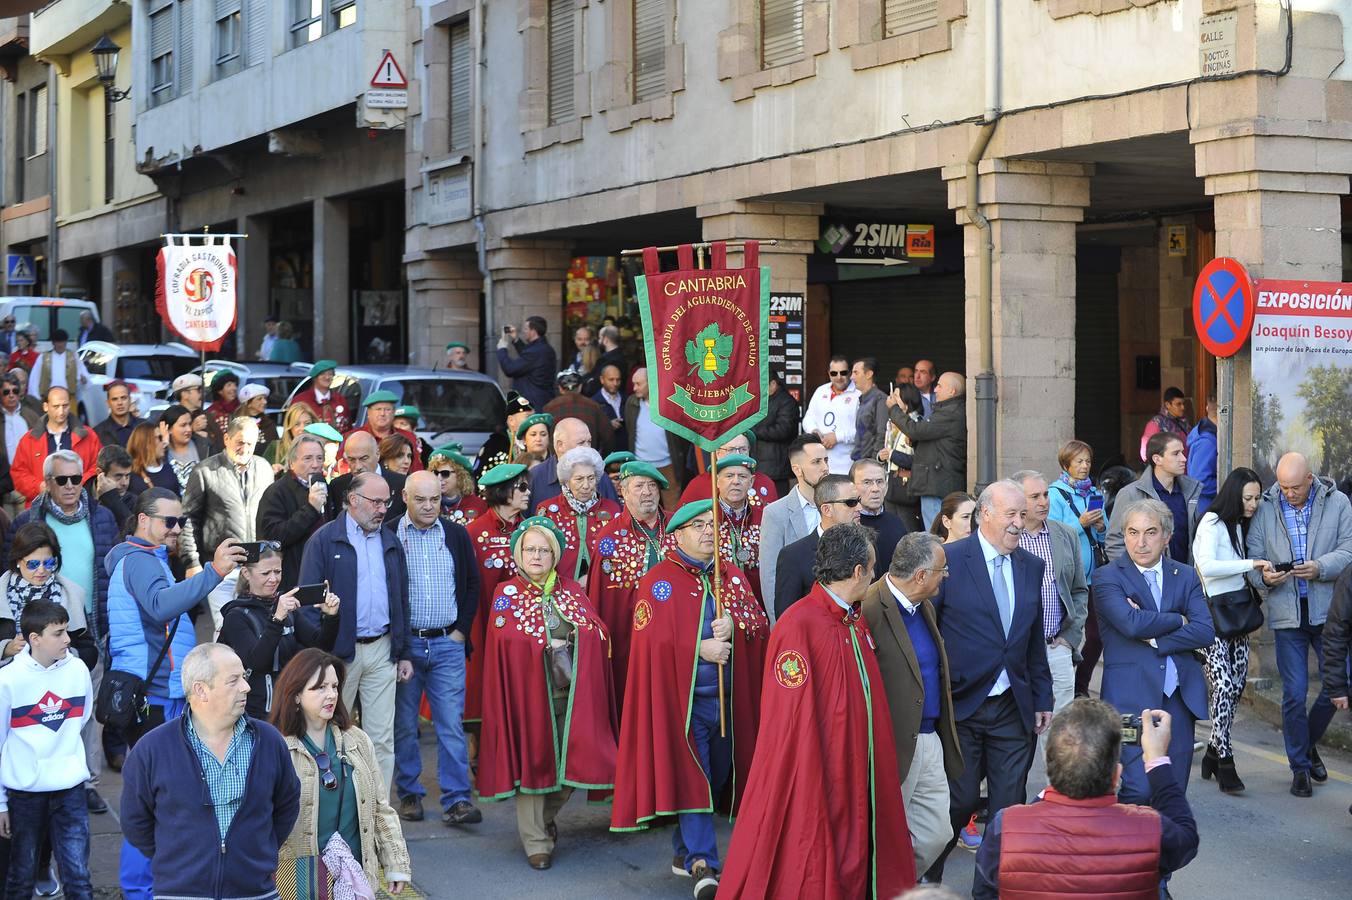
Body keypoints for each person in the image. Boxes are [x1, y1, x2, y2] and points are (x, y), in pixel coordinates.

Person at [721, 523, 917, 898]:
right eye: (872, 567)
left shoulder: (852, 618)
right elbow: (790, 721)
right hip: (822, 771)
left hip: (858, 767)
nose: (875, 575)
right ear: (858, 571)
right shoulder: (799, 625)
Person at [610, 500, 769, 900]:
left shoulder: (730, 576)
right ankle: (704, 863)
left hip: (729, 701)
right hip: (686, 704)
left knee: (716, 777)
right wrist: (698, 648)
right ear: (677, 535)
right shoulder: (659, 580)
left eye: (712, 525)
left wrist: (736, 624)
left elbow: (759, 625)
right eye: (697, 526)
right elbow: (647, 640)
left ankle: (683, 852)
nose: (707, 532)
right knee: (695, 779)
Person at [927, 480, 1053, 882]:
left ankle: (993, 888)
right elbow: (929, 633)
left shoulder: (1031, 566)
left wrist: (1042, 696)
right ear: (985, 515)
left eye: (1023, 514)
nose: (1020, 522)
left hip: (1013, 708)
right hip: (961, 704)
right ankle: (928, 877)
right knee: (958, 801)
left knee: (1008, 809)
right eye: (1012, 514)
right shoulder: (949, 559)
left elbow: (1033, 639)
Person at [478, 517, 617, 869]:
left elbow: (597, 631)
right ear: (518, 553)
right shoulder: (506, 593)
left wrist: (573, 638)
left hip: (572, 695)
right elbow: (505, 640)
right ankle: (536, 840)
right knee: (534, 763)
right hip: (528, 694)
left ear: (554, 556)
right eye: (530, 549)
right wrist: (543, 641)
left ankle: (544, 817)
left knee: (578, 759)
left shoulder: (571, 591)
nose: (536, 556)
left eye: (543, 550)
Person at [120, 644, 300, 900]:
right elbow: (135, 821)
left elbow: (287, 803)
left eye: (244, 678)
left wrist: (260, 852)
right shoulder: (152, 749)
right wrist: (178, 861)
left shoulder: (269, 741)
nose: (246, 687)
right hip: (180, 893)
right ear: (201, 690)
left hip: (255, 892)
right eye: (233, 680)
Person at [971, 700, 1199, 899]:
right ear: (1116, 776)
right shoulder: (1152, 829)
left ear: (1050, 768)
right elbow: (1186, 837)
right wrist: (1157, 760)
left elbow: (984, 891)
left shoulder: (1005, 825)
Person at [1095, 498, 1214, 810]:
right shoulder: (1108, 577)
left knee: (1172, 793)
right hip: (1130, 699)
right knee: (1137, 791)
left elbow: (1205, 630)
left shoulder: (1186, 575)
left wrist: (1159, 641)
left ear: (1166, 536)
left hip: (1179, 697)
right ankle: (1132, 857)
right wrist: (1178, 619)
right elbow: (1131, 624)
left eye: (1150, 533)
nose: (1141, 542)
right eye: (1133, 533)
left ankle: (1163, 858)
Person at [298, 471, 412, 792]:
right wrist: (319, 655)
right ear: (352, 501)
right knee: (332, 732)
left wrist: (402, 651)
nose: (382, 509)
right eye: (375, 502)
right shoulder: (323, 540)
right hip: (338, 654)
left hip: (382, 647)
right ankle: (334, 805)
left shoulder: (389, 541)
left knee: (381, 738)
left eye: (386, 502)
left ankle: (378, 814)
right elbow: (307, 602)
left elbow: (401, 599)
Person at [1247, 451, 1352, 796]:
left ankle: (1306, 744)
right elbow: (1254, 557)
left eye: (1295, 487)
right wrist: (1266, 578)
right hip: (1286, 612)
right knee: (1293, 693)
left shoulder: (1337, 503)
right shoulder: (1265, 506)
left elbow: (1350, 549)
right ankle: (1300, 767)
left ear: (1311, 479)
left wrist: (1320, 567)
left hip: (1329, 611)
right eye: (1283, 486)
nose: (1288, 493)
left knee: (1341, 682)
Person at [271, 650, 411, 897]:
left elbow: (380, 807)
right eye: (320, 688)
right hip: (300, 883)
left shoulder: (357, 740)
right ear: (295, 695)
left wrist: (396, 864)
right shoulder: (276, 747)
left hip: (355, 875)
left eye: (335, 686)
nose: (332, 695)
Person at [862, 532, 963, 877]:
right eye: (941, 569)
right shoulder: (870, 606)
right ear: (921, 576)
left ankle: (894, 883)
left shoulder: (924, 606)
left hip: (929, 737)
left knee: (938, 833)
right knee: (885, 836)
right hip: (894, 742)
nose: (945, 575)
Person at [389, 471, 482, 827]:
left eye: (435, 500)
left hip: (447, 643)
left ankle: (457, 800)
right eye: (420, 499)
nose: (429, 507)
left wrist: (460, 631)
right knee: (404, 724)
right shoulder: (391, 534)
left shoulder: (455, 534)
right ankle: (409, 793)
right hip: (407, 645)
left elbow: (472, 583)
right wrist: (397, 646)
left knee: (450, 724)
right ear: (405, 498)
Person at [0, 600, 95, 900]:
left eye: (66, 631)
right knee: (20, 878)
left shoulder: (78, 669)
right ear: (34, 639)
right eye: (58, 633)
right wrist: (1, 803)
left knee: (79, 878)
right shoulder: (8, 679)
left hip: (70, 789)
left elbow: (80, 720)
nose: (68, 639)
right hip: (24, 793)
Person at [1191, 467, 1271, 794]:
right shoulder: (1211, 523)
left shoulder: (1238, 524)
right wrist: (1250, 564)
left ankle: (1211, 749)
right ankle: (1225, 759)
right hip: (1211, 616)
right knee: (1223, 685)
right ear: (1234, 495)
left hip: (1235, 615)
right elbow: (1206, 566)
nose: (1253, 504)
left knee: (1236, 686)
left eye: (1256, 498)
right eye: (1248, 498)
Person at [1011, 469, 1089, 800]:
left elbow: (1079, 590)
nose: (1044, 502)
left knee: (1058, 728)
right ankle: (1003, 798)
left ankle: (1058, 797)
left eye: (1045, 495)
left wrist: (1070, 637)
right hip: (1016, 654)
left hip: (1055, 646)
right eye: (1035, 497)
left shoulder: (1064, 535)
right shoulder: (1008, 538)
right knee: (1015, 727)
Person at [217, 545, 340, 718]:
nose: (273, 579)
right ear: (246, 573)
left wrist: (330, 617)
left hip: (288, 703)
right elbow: (258, 663)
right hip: (255, 710)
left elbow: (321, 647)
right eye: (266, 573)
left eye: (278, 571)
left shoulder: (285, 606)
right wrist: (277, 619)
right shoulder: (236, 616)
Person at [586, 461, 668, 709]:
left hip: (679, 638)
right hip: (629, 643)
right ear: (623, 491)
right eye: (639, 486)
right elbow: (602, 601)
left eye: (652, 485)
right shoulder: (609, 538)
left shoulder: (679, 529)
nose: (647, 492)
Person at [181, 417, 275, 635]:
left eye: (250, 443)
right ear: (227, 439)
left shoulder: (264, 468)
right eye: (240, 442)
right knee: (225, 628)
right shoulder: (205, 471)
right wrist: (191, 561)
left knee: (257, 627)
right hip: (222, 565)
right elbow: (188, 519)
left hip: (257, 564)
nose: (245, 448)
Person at [463, 463, 531, 728]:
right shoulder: (474, 533)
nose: (528, 493)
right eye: (522, 487)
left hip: (524, 633)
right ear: (503, 491)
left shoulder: (530, 530)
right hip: (486, 630)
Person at [758, 434, 830, 622]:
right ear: (797, 469)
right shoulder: (775, 513)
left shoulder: (838, 505)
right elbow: (770, 577)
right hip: (797, 618)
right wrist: (781, 629)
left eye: (826, 460)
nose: (825, 468)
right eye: (816, 462)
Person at [774, 474, 861, 620]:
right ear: (826, 509)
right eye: (851, 502)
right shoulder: (793, 556)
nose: (860, 507)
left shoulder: (866, 546)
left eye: (859, 501)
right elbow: (786, 619)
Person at [1107, 432, 1202, 564]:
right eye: (1176, 454)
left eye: (1182, 452)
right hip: (1145, 578)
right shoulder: (1130, 494)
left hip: (1184, 577)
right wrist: (1132, 576)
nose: (1184, 458)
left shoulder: (1191, 490)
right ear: (1157, 459)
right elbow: (1114, 542)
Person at [889, 371, 967, 530]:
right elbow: (931, 440)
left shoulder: (950, 412)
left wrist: (894, 410)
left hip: (937, 482)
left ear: (952, 391)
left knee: (935, 533)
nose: (936, 390)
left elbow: (916, 430)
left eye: (939, 386)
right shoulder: (949, 411)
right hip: (936, 480)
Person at [256, 435, 331, 593]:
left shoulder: (325, 488)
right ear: (292, 462)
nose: (315, 464)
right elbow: (272, 539)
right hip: (292, 580)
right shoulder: (276, 492)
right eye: (308, 458)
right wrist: (311, 509)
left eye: (319, 458)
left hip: (325, 574)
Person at [535, 446, 620, 581]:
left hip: (602, 587)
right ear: (567, 481)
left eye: (591, 478)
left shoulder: (612, 510)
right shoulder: (548, 511)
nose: (586, 485)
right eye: (579, 479)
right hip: (560, 591)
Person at [11, 387, 102, 504]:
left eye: (65, 406)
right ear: (45, 407)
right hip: (41, 506)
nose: (61, 411)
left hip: (80, 504)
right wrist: (40, 487)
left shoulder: (89, 435)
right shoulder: (29, 440)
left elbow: (98, 467)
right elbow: (18, 473)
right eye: (56, 406)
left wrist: (76, 483)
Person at [625, 367, 688, 510]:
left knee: (672, 507)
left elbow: (680, 436)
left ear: (651, 382)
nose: (634, 388)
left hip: (668, 464)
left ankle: (671, 533)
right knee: (640, 507)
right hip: (641, 465)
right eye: (634, 383)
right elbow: (631, 430)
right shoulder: (632, 403)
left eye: (638, 384)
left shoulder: (668, 402)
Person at [527, 416, 620, 508]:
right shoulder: (534, 478)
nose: (587, 448)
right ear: (560, 446)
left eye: (589, 442)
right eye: (581, 443)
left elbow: (615, 516)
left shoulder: (601, 477)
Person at [711, 454, 765, 602]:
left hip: (759, 601)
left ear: (751, 482)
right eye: (729, 476)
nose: (735, 481)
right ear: (717, 481)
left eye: (742, 476)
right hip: (718, 604)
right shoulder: (707, 519)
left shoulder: (765, 517)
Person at [677, 431, 778, 508]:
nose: (737, 455)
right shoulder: (698, 485)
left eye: (743, 449)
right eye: (731, 450)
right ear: (718, 453)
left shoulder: (765, 482)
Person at [325, 430, 408, 522]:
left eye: (364, 459)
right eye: (352, 460)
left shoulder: (401, 484)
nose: (358, 466)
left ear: (377, 454)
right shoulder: (337, 486)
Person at [800, 354, 861, 474]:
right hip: (820, 464)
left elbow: (864, 430)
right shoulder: (821, 390)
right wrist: (814, 431)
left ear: (850, 373)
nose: (839, 377)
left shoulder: (858, 394)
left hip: (847, 465)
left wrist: (837, 437)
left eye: (843, 373)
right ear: (829, 374)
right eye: (834, 373)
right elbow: (808, 418)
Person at [346, 390, 424, 473]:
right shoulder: (353, 437)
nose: (382, 413)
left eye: (387, 409)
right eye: (378, 409)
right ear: (368, 412)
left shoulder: (407, 437)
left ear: (394, 412)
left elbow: (416, 469)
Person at [855, 457, 906, 578]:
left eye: (879, 482)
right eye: (867, 482)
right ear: (852, 487)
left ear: (886, 486)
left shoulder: (897, 523)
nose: (875, 489)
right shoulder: (847, 526)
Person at [497, 316, 558, 413]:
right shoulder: (544, 349)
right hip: (540, 401)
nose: (523, 332)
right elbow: (528, 360)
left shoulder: (536, 352)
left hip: (532, 405)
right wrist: (516, 339)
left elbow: (509, 369)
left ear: (533, 331)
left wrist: (502, 349)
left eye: (526, 329)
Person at [752, 375, 800, 498]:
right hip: (758, 465)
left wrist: (752, 431)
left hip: (777, 468)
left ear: (773, 384)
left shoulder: (787, 402)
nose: (759, 388)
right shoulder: (760, 400)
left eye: (762, 384)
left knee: (777, 505)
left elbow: (783, 430)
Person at [544, 370, 613, 454]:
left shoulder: (549, 408)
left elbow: (544, 438)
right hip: (588, 460)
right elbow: (608, 437)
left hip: (558, 462)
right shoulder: (593, 406)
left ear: (560, 388)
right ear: (580, 387)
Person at [0, 371, 39, 517]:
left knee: (27, 531)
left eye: (15, 391)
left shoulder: (30, 416)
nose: (11, 395)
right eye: (6, 392)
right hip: (4, 489)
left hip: (27, 485)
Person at [475, 391, 533, 476]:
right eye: (528, 417)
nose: (533, 421)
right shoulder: (494, 446)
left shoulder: (535, 442)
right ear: (511, 420)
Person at [28, 330, 90, 407]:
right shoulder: (43, 357)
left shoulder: (74, 357)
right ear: (53, 343)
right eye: (58, 342)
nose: (60, 345)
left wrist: (84, 380)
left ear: (66, 342)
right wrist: (36, 397)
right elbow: (34, 379)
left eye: (62, 342)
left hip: (69, 399)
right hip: (48, 399)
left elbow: (84, 375)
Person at [291, 360, 354, 434]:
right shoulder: (301, 400)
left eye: (330, 374)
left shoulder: (340, 400)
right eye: (322, 374)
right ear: (315, 377)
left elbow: (349, 428)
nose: (327, 377)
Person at [162, 404, 213, 488]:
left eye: (189, 424)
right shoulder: (162, 452)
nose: (189, 429)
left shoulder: (204, 444)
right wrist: (164, 444)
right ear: (169, 429)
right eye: (183, 425)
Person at [850, 356, 889, 464]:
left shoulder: (880, 400)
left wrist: (874, 461)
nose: (851, 377)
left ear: (869, 374)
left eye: (856, 373)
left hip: (869, 464)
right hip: (859, 461)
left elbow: (882, 433)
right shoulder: (863, 399)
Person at [126, 422, 180, 497]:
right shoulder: (129, 475)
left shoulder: (169, 468)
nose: (164, 442)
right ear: (146, 443)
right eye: (160, 438)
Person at [86, 444, 135, 527]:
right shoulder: (81, 498)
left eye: (127, 476)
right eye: (118, 476)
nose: (124, 483)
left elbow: (132, 529)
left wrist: (112, 499)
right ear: (99, 473)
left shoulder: (135, 502)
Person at [1139, 386, 1190, 464]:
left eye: (1183, 404)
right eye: (1178, 404)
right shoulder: (1156, 423)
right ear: (1167, 404)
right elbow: (1146, 453)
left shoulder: (1183, 422)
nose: (1183, 407)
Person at [1186, 397, 1218, 516]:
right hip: (1206, 508)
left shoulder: (1207, 436)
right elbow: (1199, 481)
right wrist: (1227, 487)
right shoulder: (1208, 443)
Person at [264, 401, 318, 471]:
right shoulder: (276, 447)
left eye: (307, 423)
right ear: (289, 427)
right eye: (297, 424)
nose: (302, 428)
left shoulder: (323, 449)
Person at [93, 381, 144, 449]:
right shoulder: (97, 433)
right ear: (108, 403)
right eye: (115, 399)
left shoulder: (144, 427)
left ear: (130, 400)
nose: (120, 403)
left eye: (123, 398)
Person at [582, 323, 627, 396]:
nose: (599, 341)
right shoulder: (617, 356)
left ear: (605, 340)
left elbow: (595, 384)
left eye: (600, 338)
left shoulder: (610, 360)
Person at [590, 363, 625, 443]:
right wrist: (607, 425)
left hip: (626, 450)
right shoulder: (594, 403)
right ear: (602, 379)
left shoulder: (626, 399)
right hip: (605, 451)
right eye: (611, 379)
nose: (615, 383)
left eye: (618, 380)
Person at [207, 370, 241, 436]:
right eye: (229, 385)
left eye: (235, 385)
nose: (234, 388)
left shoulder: (241, 408)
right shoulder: (211, 413)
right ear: (220, 391)